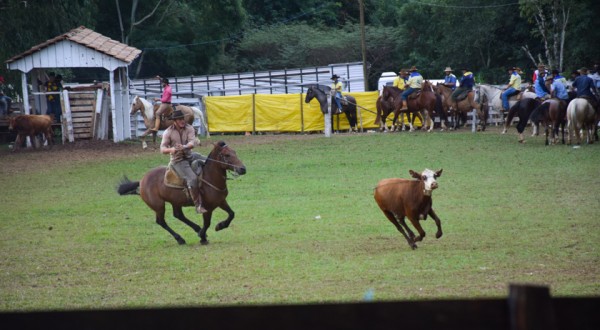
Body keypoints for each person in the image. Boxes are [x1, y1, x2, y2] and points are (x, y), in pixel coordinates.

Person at [160, 109, 206, 214]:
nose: (182, 121)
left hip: (190, 156)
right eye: (179, 119)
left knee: (209, 160)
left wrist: (184, 147)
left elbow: (192, 143)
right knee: (192, 178)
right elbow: (162, 149)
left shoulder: (189, 128)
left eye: (183, 118)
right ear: (174, 121)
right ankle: (198, 205)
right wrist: (171, 150)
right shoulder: (168, 132)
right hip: (178, 161)